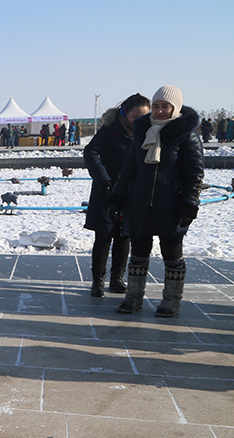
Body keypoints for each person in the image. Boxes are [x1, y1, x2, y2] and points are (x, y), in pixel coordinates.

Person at [109, 85, 204, 317]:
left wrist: (189, 201)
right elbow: (129, 168)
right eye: (157, 106)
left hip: (171, 205)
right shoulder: (142, 131)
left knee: (172, 255)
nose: (160, 111)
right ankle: (133, 298)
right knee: (139, 254)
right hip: (139, 204)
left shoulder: (186, 135)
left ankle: (171, 302)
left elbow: (195, 172)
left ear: (176, 108)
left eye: (166, 106)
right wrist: (118, 196)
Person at [83, 93, 151, 297]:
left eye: (144, 117)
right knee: (104, 236)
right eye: (135, 117)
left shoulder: (147, 133)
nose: (139, 121)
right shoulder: (110, 129)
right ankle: (98, 281)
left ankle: (117, 279)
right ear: (124, 113)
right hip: (107, 191)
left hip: (130, 193)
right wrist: (103, 179)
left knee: (124, 236)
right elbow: (90, 152)